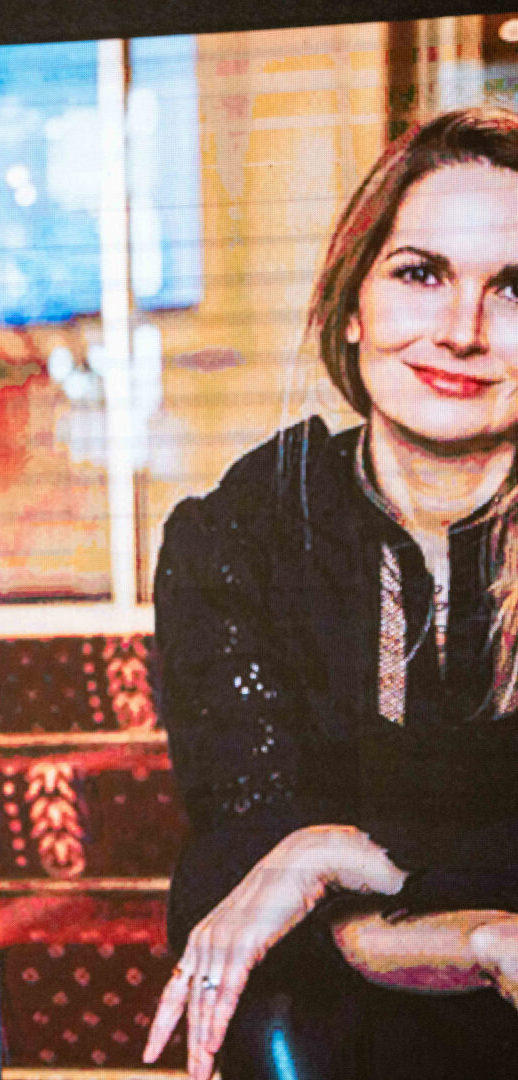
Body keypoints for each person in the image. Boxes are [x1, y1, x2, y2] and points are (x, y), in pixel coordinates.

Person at [142, 106, 518, 1080]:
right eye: (419, 274)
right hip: (340, 1025)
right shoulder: (238, 534)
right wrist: (478, 939)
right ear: (352, 306)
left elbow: (287, 873)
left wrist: (329, 859)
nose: (460, 332)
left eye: (512, 290)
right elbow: (235, 862)